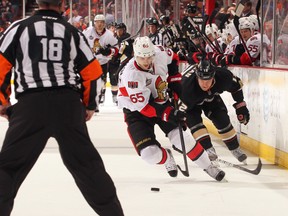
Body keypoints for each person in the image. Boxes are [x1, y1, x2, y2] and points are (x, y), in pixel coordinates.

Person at [0, 0, 124, 216]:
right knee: (88, 168)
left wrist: (3, 102)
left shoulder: (18, 28)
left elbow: (0, 66)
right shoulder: (72, 32)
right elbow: (92, 73)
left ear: (37, 2)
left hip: (31, 106)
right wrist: (89, 105)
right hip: (67, 106)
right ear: (63, 5)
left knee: (7, 169)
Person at [117, 36, 226, 181]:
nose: (147, 62)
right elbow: (145, 107)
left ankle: (208, 166)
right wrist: (169, 114)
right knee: (149, 154)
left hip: (161, 101)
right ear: (135, 55)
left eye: (149, 57)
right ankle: (167, 158)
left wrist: (174, 80)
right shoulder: (131, 76)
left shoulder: (160, 53)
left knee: (183, 140)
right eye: (142, 58)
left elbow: (173, 57)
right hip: (137, 111)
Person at [180, 59, 249, 164]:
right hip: (191, 104)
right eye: (202, 79)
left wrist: (241, 106)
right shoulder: (186, 87)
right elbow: (180, 110)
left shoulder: (223, 76)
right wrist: (179, 121)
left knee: (222, 119)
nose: (205, 84)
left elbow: (237, 87)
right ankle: (208, 151)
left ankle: (235, 148)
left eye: (208, 80)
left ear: (214, 76)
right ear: (197, 76)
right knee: (195, 124)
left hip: (210, 98)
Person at [83, 14, 118, 110]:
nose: (99, 24)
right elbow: (80, 42)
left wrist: (109, 51)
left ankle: (97, 101)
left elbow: (116, 48)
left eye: (102, 22)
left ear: (104, 24)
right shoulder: (87, 32)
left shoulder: (109, 35)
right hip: (90, 61)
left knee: (101, 83)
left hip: (102, 62)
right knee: (91, 82)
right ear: (94, 23)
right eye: (97, 22)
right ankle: (92, 102)